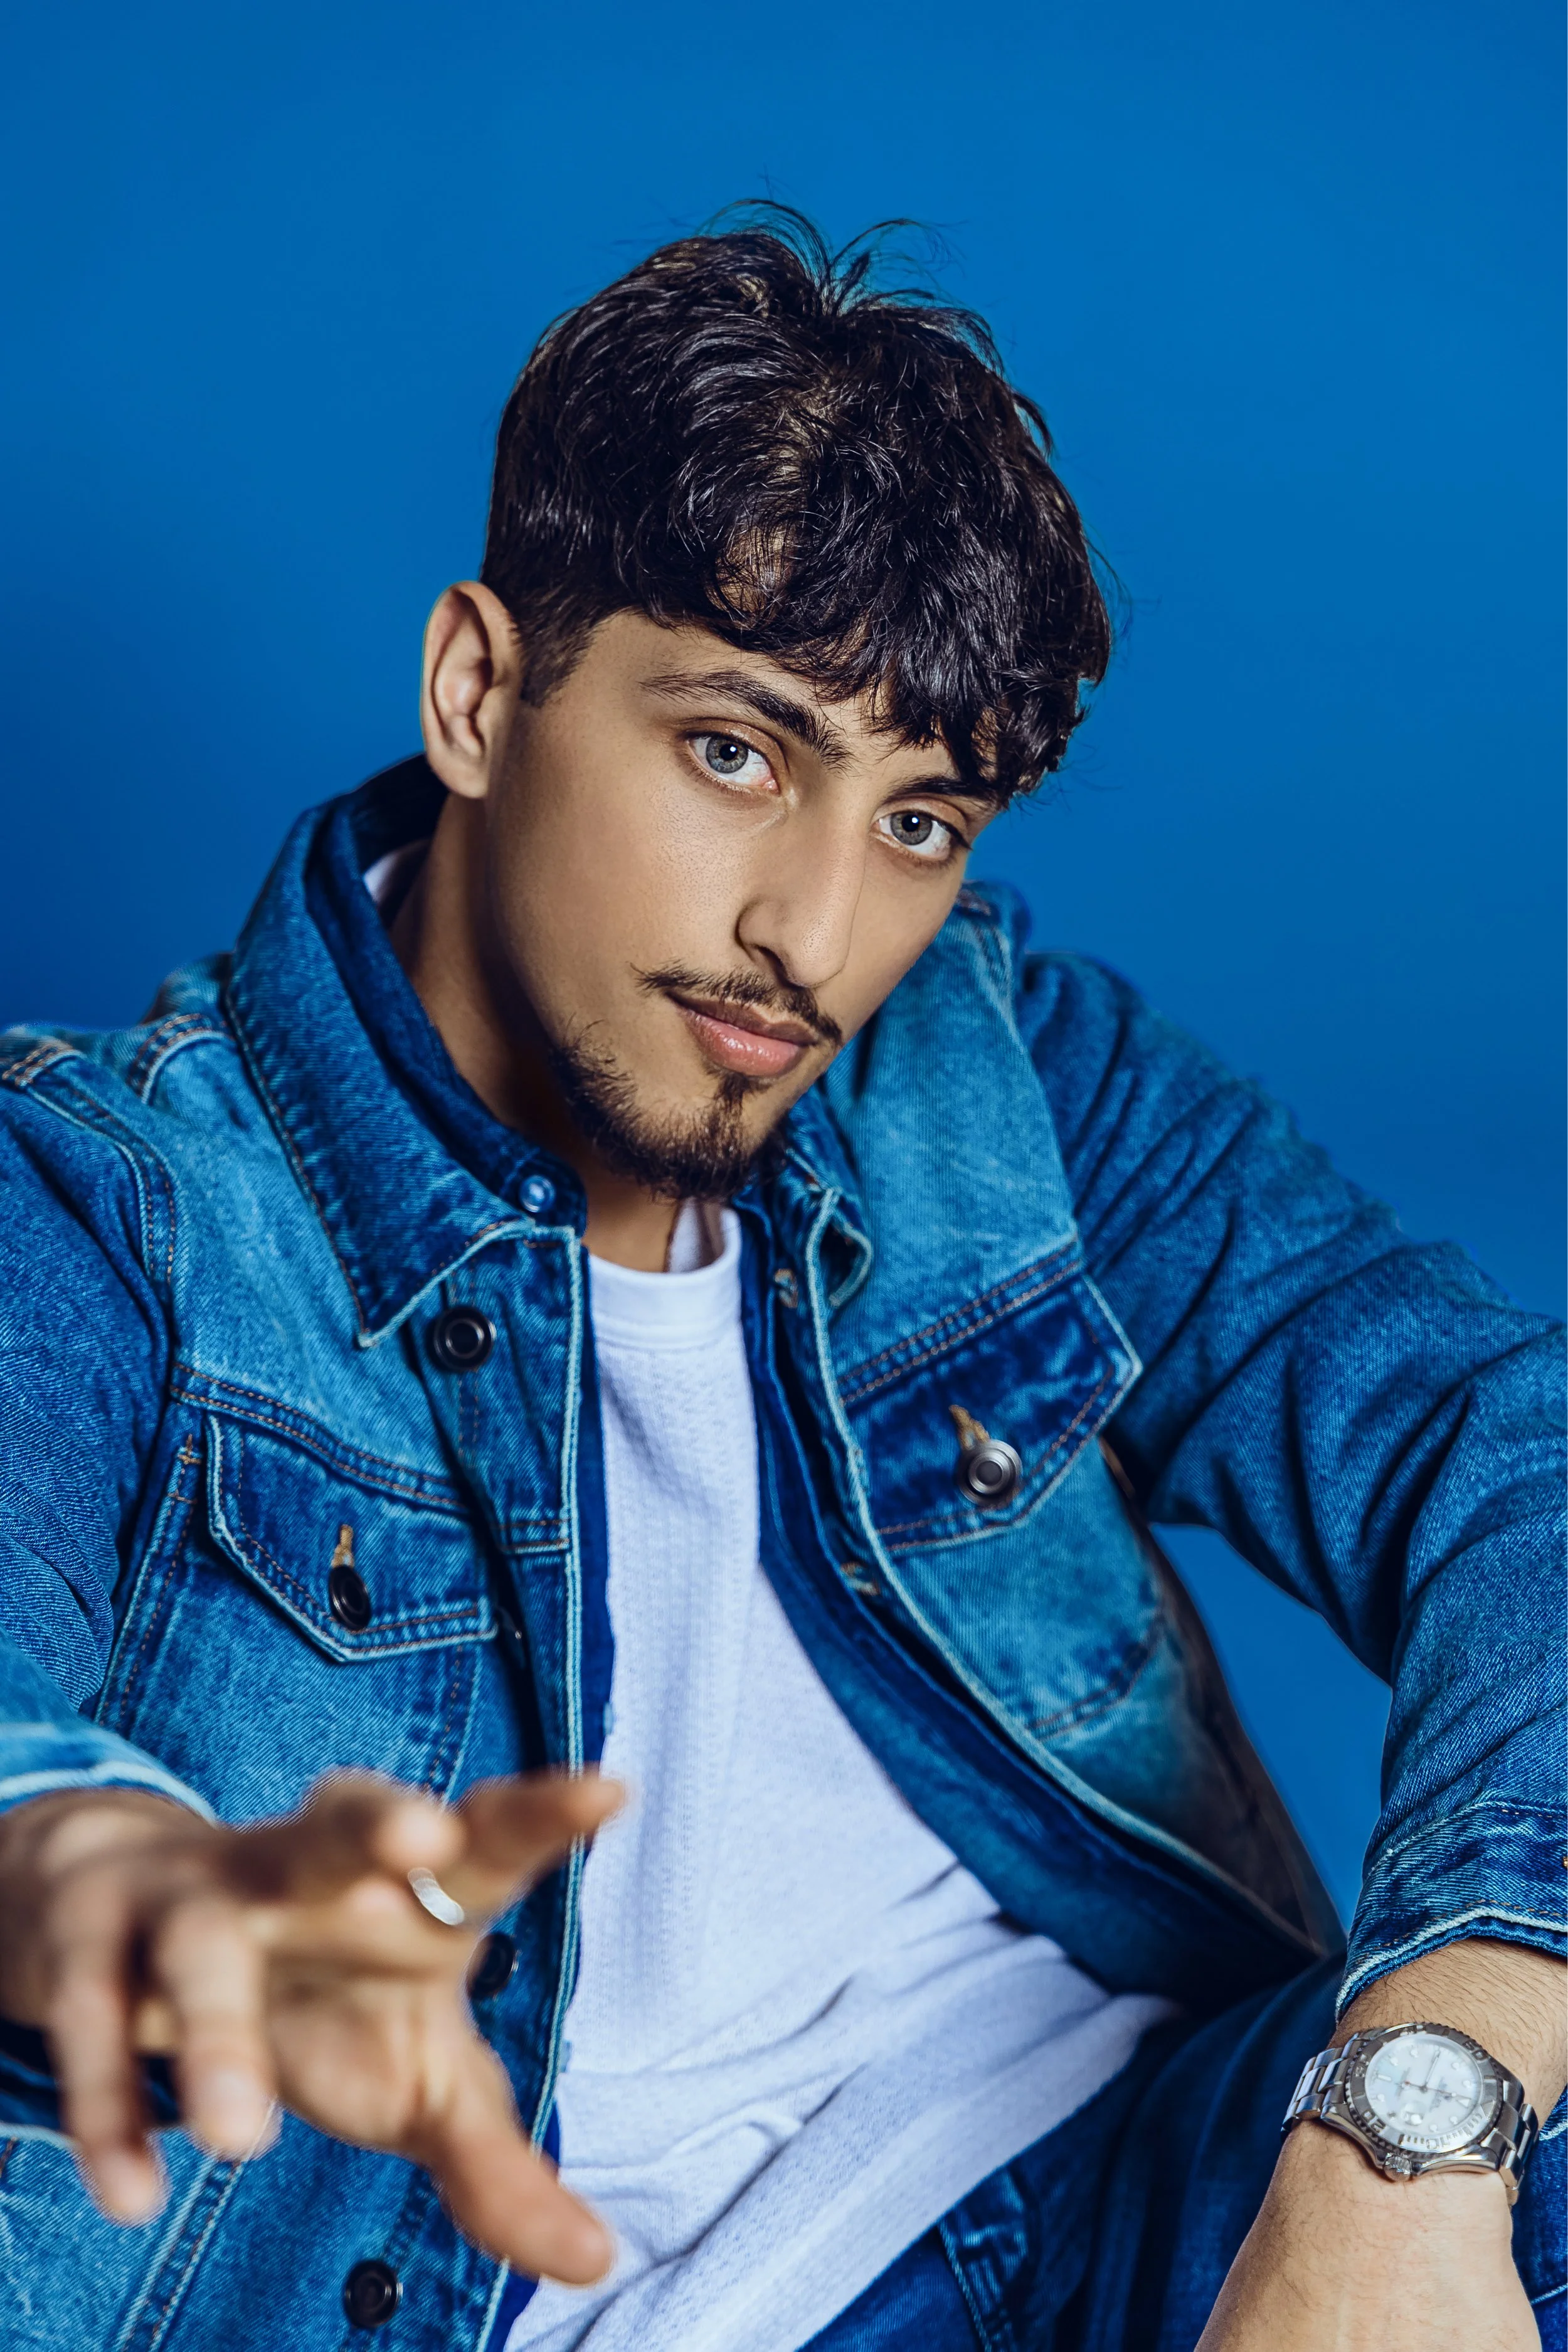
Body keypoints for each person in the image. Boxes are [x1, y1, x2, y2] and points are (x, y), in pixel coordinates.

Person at [0, 212, 1559, 2352]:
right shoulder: (104, 1199)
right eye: (733, 751)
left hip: (1154, 2186)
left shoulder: (996, 1070)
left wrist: (1411, 2122)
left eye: (920, 820)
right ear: (479, 690)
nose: (813, 939)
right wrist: (118, 1893)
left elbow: (1506, 1451)